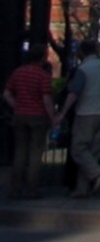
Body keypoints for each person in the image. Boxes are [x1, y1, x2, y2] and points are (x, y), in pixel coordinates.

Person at [56, 38, 100, 198]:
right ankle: (83, 188)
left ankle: (96, 173)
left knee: (78, 149)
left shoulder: (84, 69)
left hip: (86, 113)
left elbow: (74, 92)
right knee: (93, 151)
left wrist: (62, 113)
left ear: (82, 52)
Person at [4, 43, 59, 200]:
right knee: (35, 152)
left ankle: (15, 188)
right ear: (42, 57)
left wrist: (16, 106)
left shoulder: (18, 73)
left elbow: (7, 93)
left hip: (20, 115)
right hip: (38, 116)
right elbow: (46, 99)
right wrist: (53, 117)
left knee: (20, 152)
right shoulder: (42, 76)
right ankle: (31, 189)